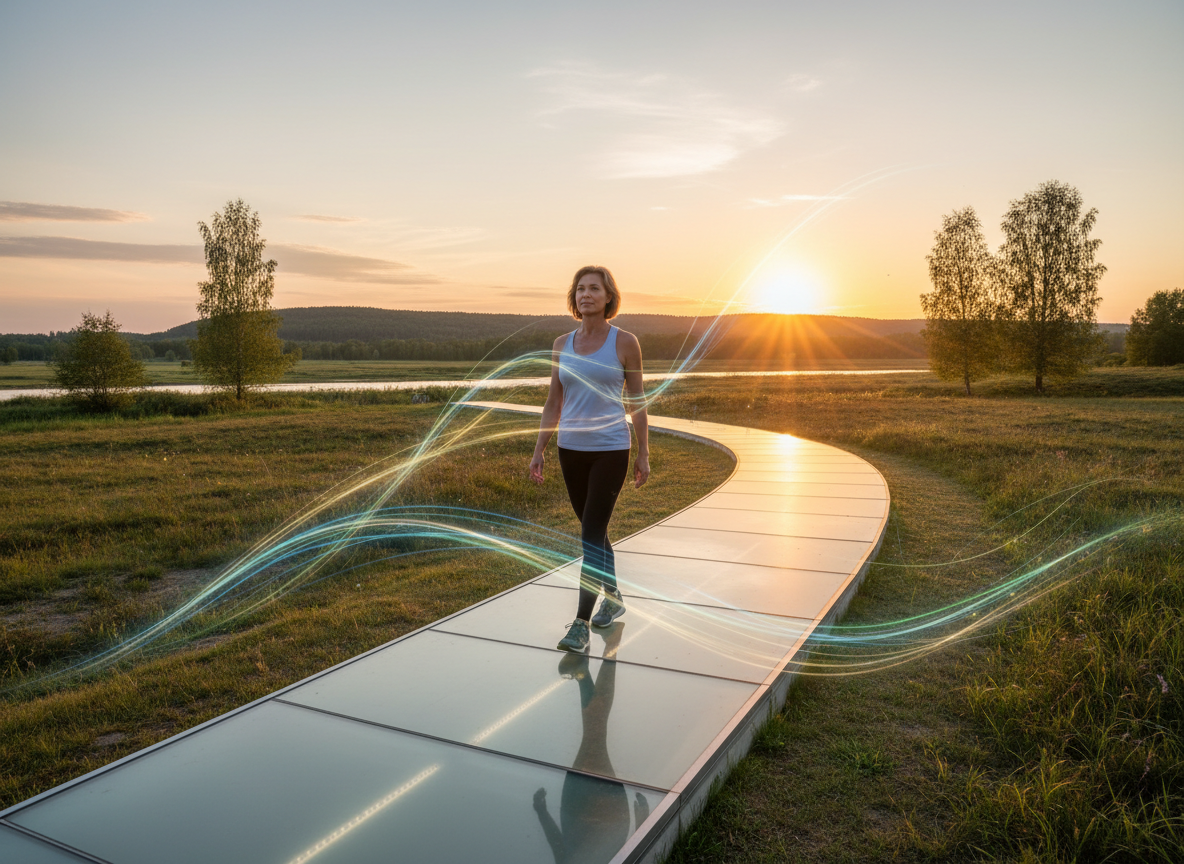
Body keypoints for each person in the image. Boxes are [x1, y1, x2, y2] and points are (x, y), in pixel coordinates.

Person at [529, 265, 650, 652]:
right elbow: (554, 401)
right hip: (571, 451)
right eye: (580, 289)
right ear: (574, 297)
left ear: (608, 296)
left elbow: (637, 402)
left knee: (590, 537)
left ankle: (580, 624)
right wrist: (539, 449)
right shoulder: (561, 344)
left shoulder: (625, 342)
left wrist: (643, 453)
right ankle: (613, 597)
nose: (586, 295)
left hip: (611, 449)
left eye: (594, 288)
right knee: (593, 532)